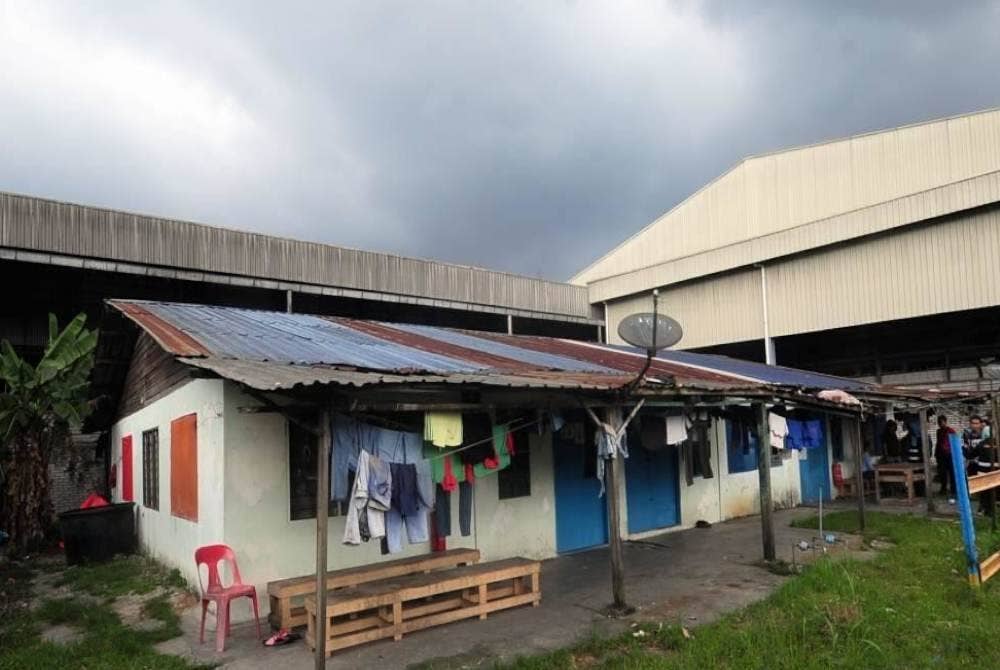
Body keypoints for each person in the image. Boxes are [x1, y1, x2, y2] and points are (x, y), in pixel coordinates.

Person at [935, 415, 956, 501]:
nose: (941, 424)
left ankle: (953, 489)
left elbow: (954, 441)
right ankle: (943, 488)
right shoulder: (938, 431)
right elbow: (939, 443)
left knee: (952, 472)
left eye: (942, 422)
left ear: (945, 421)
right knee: (942, 473)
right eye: (939, 422)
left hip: (949, 454)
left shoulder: (950, 431)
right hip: (941, 455)